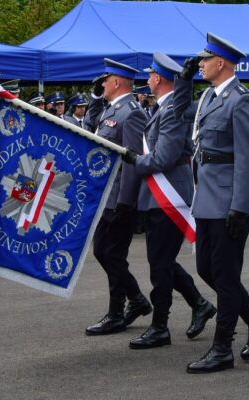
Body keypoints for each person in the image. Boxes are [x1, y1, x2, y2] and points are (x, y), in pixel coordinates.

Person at [174, 32, 249, 373]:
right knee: (207, 268)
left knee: (226, 275)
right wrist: (183, 80)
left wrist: (241, 205)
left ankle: (222, 349)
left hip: (228, 201)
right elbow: (179, 115)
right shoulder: (209, 98)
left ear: (220, 63)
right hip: (207, 197)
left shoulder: (240, 100)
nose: (199, 64)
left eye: (203, 60)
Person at [125, 52, 216, 349]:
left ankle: (160, 327)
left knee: (160, 265)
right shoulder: (163, 109)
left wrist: (134, 161)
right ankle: (199, 304)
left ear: (158, 79)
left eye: (151, 74)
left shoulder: (172, 112)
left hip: (169, 197)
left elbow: (163, 157)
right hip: (158, 196)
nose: (147, 78)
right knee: (161, 261)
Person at [82, 59, 151, 336]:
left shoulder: (131, 113)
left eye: (106, 79)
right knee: (106, 252)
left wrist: (125, 201)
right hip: (106, 193)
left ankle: (119, 310)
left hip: (120, 195)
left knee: (110, 253)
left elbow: (133, 158)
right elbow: (90, 128)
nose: (102, 83)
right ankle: (134, 300)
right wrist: (96, 98)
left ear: (117, 82)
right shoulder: (112, 108)